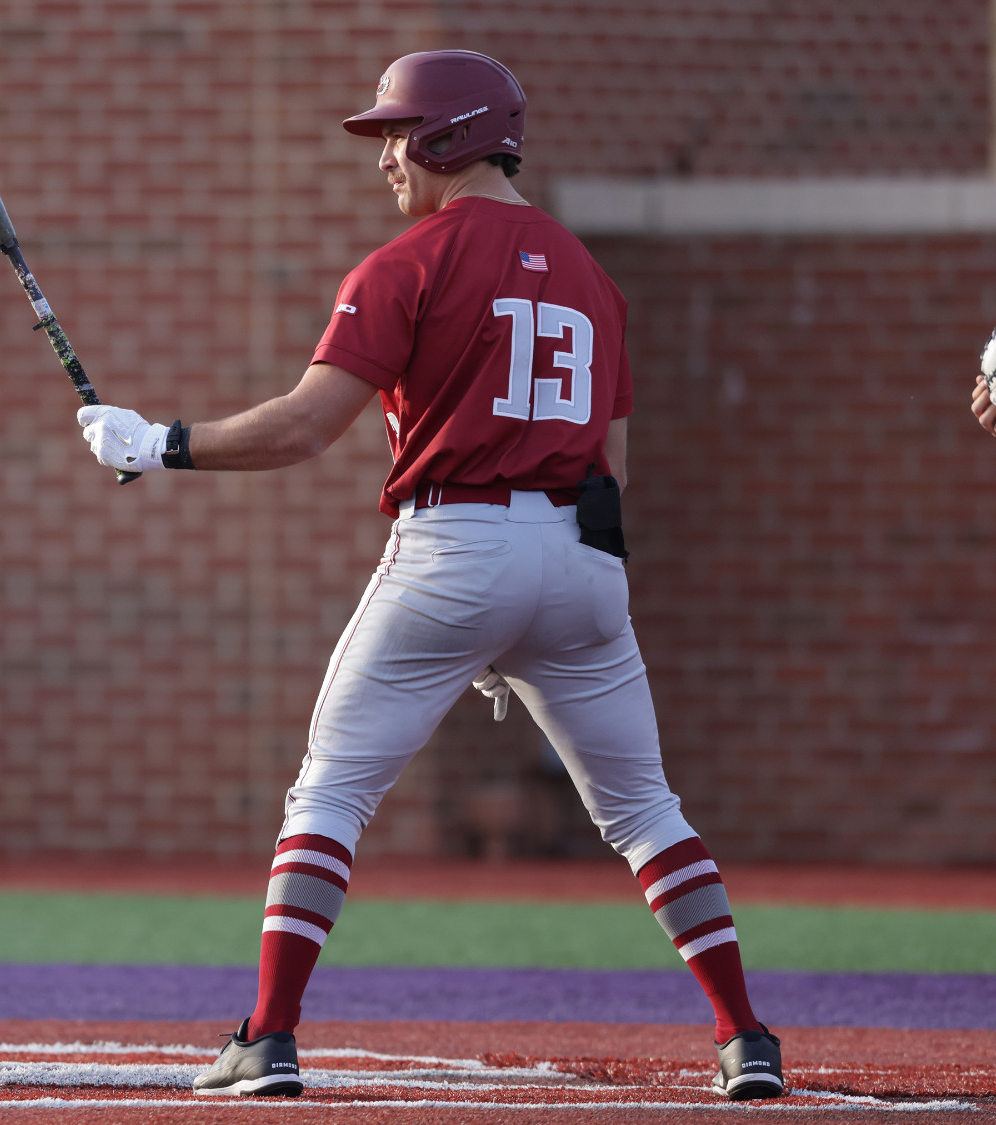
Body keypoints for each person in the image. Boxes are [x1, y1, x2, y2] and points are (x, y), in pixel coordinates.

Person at [76, 51, 784, 1102]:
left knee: (329, 793)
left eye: (397, 135)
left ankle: (265, 1038)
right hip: (581, 559)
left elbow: (303, 429)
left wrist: (157, 444)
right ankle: (746, 1039)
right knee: (644, 812)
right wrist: (540, 609)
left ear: (452, 136)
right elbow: (610, 471)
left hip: (453, 548)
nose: (384, 160)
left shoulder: (404, 264)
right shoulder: (591, 276)